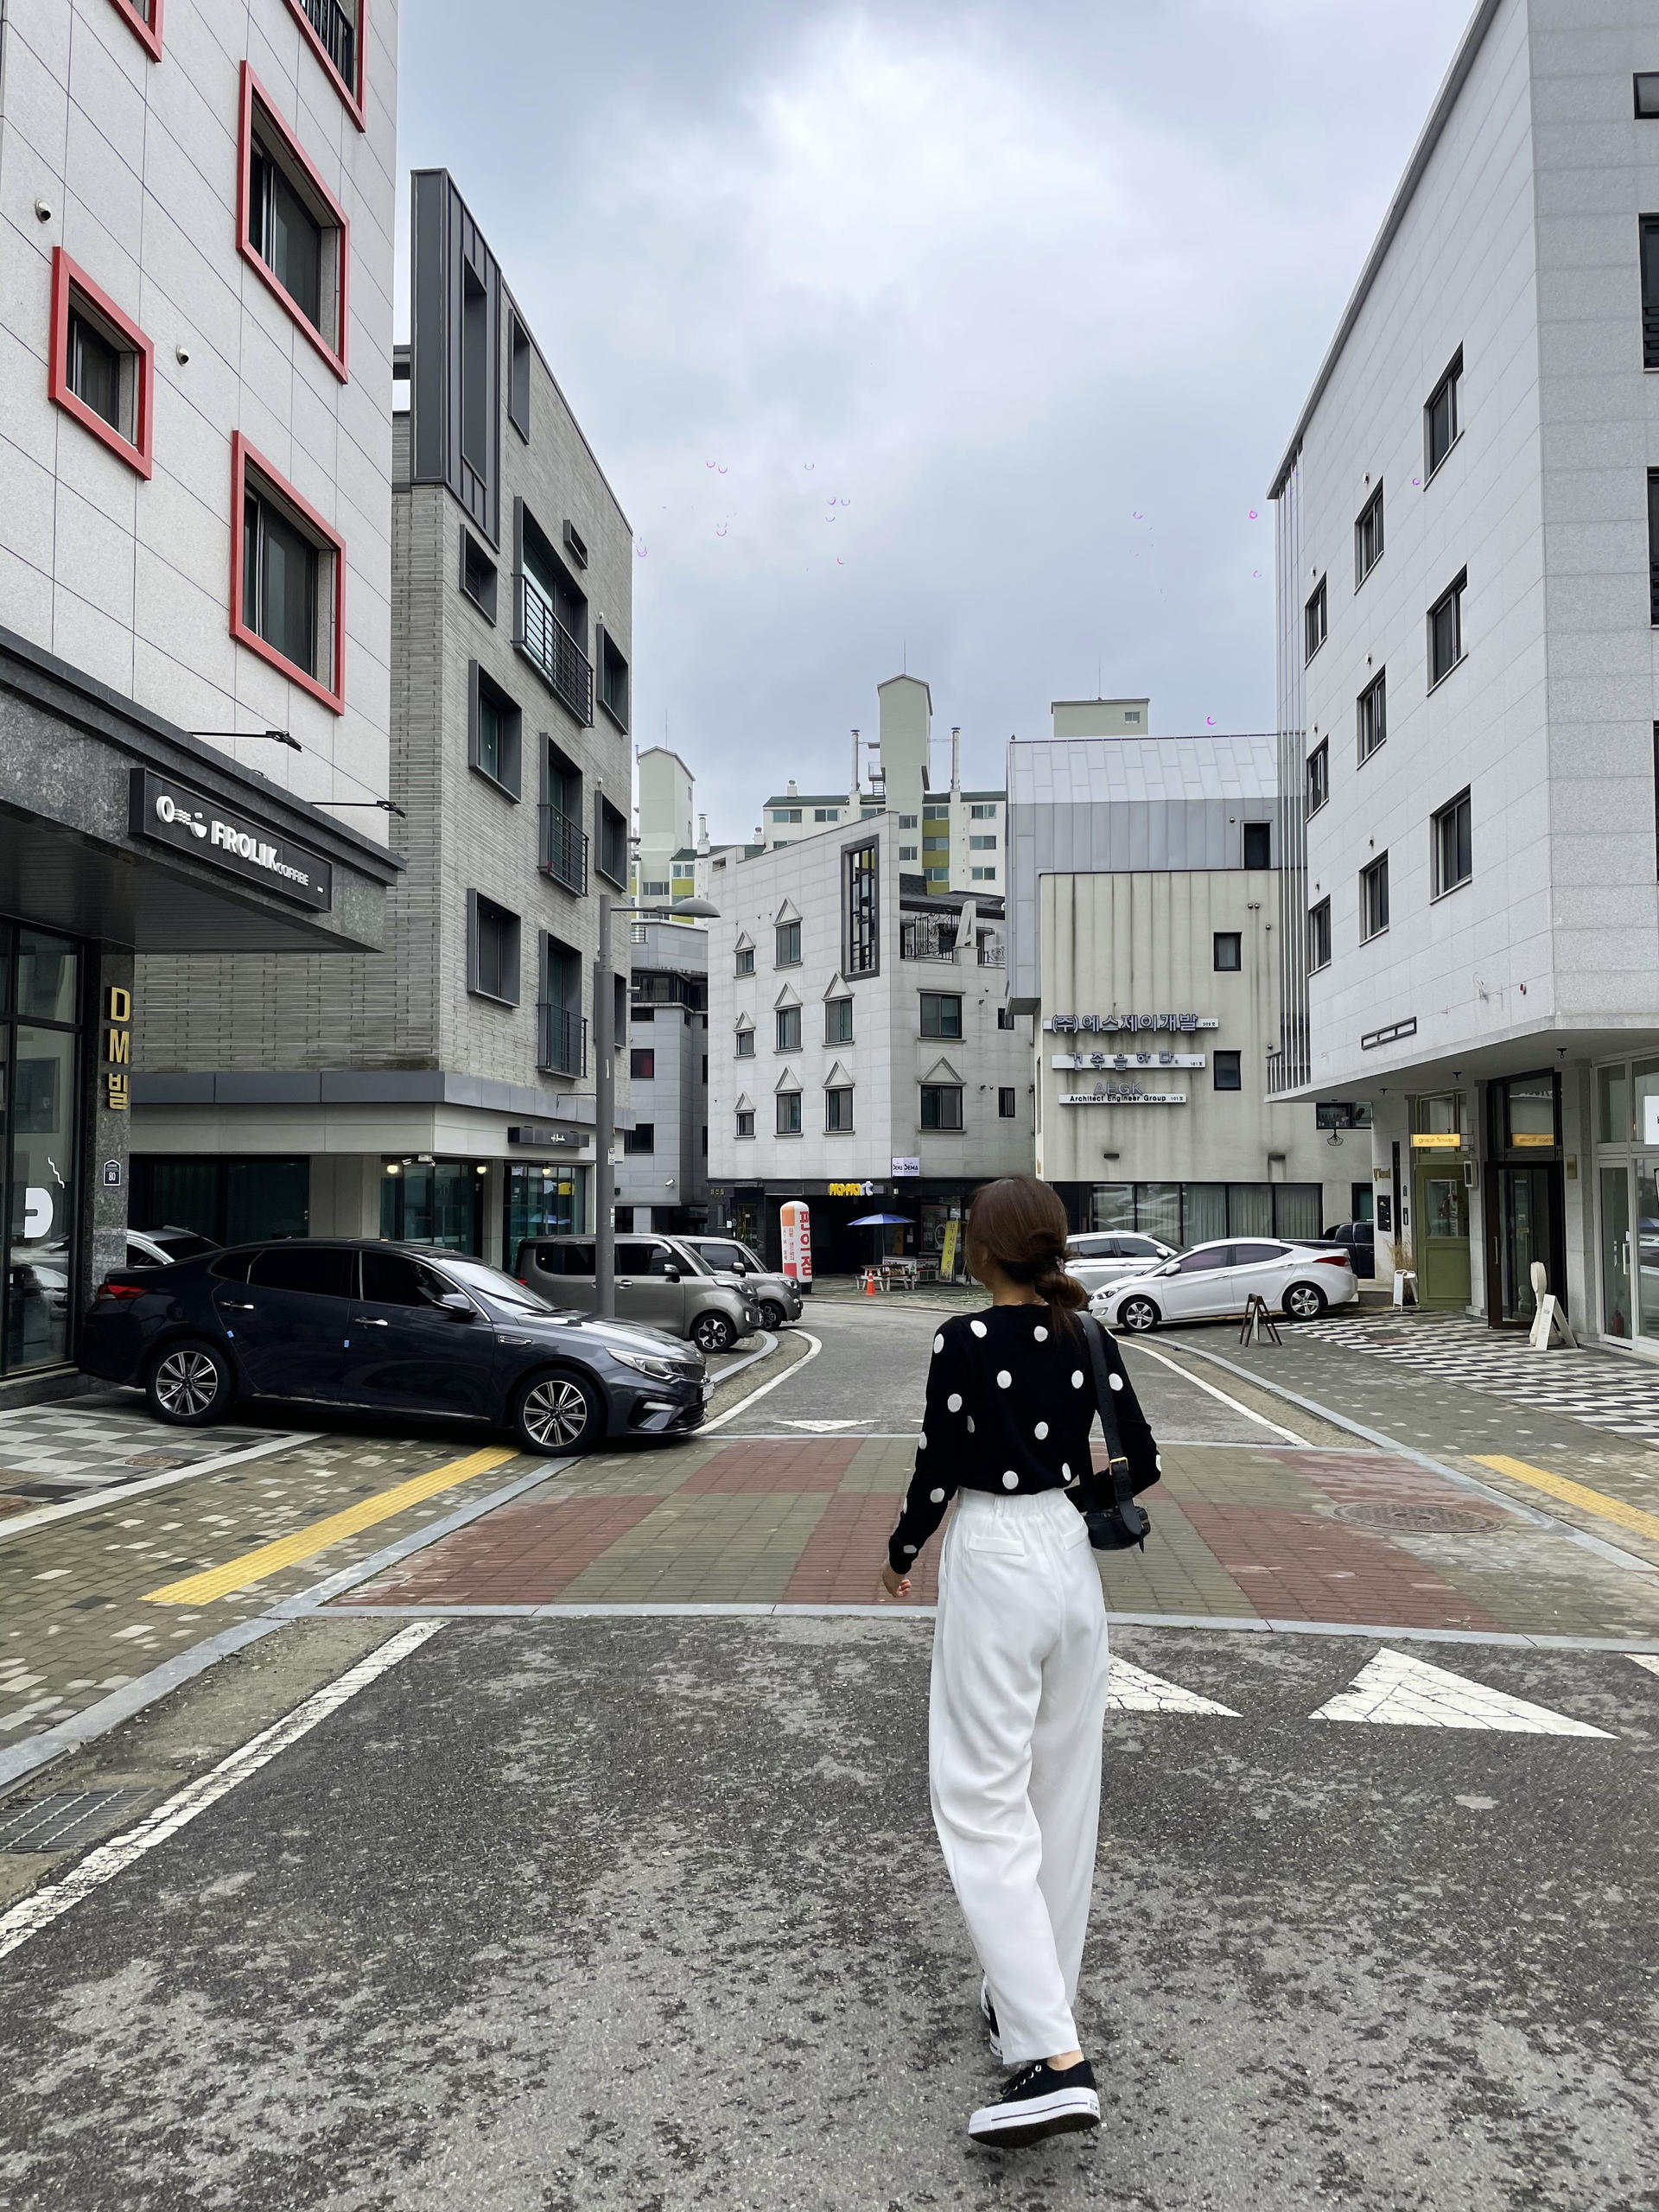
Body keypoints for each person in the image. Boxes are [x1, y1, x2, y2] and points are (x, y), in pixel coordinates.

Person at [879, 1175, 1160, 2149]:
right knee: (1061, 1799)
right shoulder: (1088, 1335)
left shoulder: (960, 1340)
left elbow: (937, 1467)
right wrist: (1068, 1494)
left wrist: (901, 1553)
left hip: (995, 1555)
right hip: (1071, 1561)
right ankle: (1027, 2007)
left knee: (981, 1800)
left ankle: (1055, 2057)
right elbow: (1141, 1458)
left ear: (983, 1250)